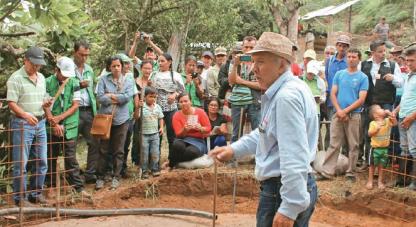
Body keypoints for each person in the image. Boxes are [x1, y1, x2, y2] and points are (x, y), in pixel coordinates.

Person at [210, 32, 318, 227]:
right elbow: (265, 133)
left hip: (281, 190)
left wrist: (289, 207)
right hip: (286, 188)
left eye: (260, 62)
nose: (253, 69)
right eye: (253, 62)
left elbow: (294, 155)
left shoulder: (286, 97)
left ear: (281, 64)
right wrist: (234, 149)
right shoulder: (289, 90)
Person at [7, 46, 49, 206]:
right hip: (22, 123)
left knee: (42, 161)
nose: (37, 67)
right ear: (26, 60)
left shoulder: (42, 78)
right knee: (21, 164)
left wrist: (46, 102)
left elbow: (42, 97)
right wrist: (25, 115)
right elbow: (11, 103)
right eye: (34, 64)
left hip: (40, 122)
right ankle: (21, 199)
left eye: (39, 65)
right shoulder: (15, 78)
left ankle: (35, 194)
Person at [320, 49, 369, 182]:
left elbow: (361, 99)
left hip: (354, 115)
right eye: (349, 56)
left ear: (359, 59)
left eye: (354, 56)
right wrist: (339, 111)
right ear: (346, 58)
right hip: (338, 113)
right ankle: (327, 171)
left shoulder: (363, 77)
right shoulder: (339, 74)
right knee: (334, 143)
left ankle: (351, 173)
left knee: (353, 145)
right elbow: (333, 93)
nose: (351, 59)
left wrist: (345, 111)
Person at [44, 57, 90, 197]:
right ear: (56, 70)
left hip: (70, 125)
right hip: (51, 124)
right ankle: (51, 185)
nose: (65, 78)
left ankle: (77, 187)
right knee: (51, 156)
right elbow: (45, 105)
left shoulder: (74, 82)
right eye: (62, 74)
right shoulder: (47, 82)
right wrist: (54, 123)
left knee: (70, 157)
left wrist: (60, 119)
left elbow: (75, 105)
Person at [95, 56, 136, 190]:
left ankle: (116, 177)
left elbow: (127, 98)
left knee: (119, 149)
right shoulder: (103, 79)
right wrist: (116, 97)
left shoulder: (128, 80)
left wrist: (110, 95)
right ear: (109, 67)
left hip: (122, 120)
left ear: (122, 66)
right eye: (114, 66)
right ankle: (100, 177)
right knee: (103, 149)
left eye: (118, 66)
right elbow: (100, 97)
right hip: (105, 119)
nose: (117, 68)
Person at [361, 40, 403, 168]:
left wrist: (393, 79)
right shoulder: (363, 65)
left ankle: (385, 163)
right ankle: (368, 161)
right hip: (369, 104)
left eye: (384, 51)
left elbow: (401, 83)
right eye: (380, 51)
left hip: (386, 104)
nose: (383, 53)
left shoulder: (392, 65)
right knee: (369, 131)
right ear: (373, 52)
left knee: (386, 132)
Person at [73, 40, 99, 184]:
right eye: (81, 54)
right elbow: (63, 88)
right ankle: (74, 176)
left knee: (94, 143)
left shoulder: (89, 69)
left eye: (86, 55)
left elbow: (92, 91)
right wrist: (79, 85)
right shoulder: (68, 69)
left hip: (89, 111)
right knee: (71, 145)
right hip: (73, 111)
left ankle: (90, 174)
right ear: (75, 52)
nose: (84, 58)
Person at [150, 53, 185, 160]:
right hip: (156, 109)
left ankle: (172, 160)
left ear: (169, 62)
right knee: (156, 135)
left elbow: (182, 90)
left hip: (171, 109)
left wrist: (175, 95)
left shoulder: (175, 75)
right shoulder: (154, 74)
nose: (160, 63)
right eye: (159, 61)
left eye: (162, 61)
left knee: (172, 135)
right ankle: (155, 161)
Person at [228, 36, 261, 142]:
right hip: (238, 100)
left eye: (251, 47)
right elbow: (232, 81)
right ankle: (233, 157)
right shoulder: (235, 61)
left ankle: (258, 158)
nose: (248, 50)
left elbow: (262, 85)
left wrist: (241, 81)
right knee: (236, 133)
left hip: (255, 101)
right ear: (242, 47)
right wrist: (235, 65)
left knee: (258, 133)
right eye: (246, 47)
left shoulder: (260, 62)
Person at [165, 93, 211, 169]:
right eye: (181, 102)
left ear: (191, 101)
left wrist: (201, 128)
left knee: (191, 152)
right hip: (183, 139)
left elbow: (208, 128)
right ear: (178, 103)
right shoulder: (176, 115)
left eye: (186, 101)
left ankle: (172, 163)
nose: (183, 103)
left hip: (198, 140)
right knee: (177, 145)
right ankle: (171, 166)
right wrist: (185, 130)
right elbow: (178, 134)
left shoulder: (200, 112)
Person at [394, 46, 416, 190]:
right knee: (404, 149)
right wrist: (395, 111)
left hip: (413, 119)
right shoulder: (409, 75)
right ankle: (402, 181)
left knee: (414, 149)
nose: (408, 63)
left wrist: (411, 117)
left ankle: (415, 183)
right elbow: (405, 98)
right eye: (407, 60)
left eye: (412, 60)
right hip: (403, 116)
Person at [366, 105, 397, 190]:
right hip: (375, 148)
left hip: (384, 148)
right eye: (380, 109)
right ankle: (370, 181)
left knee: (381, 166)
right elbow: (369, 134)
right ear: (375, 115)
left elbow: (395, 123)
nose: (383, 109)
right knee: (372, 165)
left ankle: (380, 181)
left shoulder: (387, 121)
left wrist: (390, 113)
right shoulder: (373, 123)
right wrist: (376, 129)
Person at [131, 60, 153, 167]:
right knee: (137, 135)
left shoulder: (153, 81)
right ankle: (137, 160)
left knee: (150, 135)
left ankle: (149, 160)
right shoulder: (135, 81)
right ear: (141, 69)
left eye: (149, 68)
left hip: (150, 113)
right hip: (137, 111)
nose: (147, 71)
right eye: (145, 68)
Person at [140, 87, 164, 179]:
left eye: (154, 97)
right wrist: (138, 107)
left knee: (155, 152)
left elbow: (160, 118)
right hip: (144, 134)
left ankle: (154, 169)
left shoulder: (157, 107)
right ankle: (144, 170)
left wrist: (161, 127)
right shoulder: (142, 107)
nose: (152, 99)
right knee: (144, 154)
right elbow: (137, 117)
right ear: (145, 97)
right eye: (150, 96)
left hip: (155, 134)